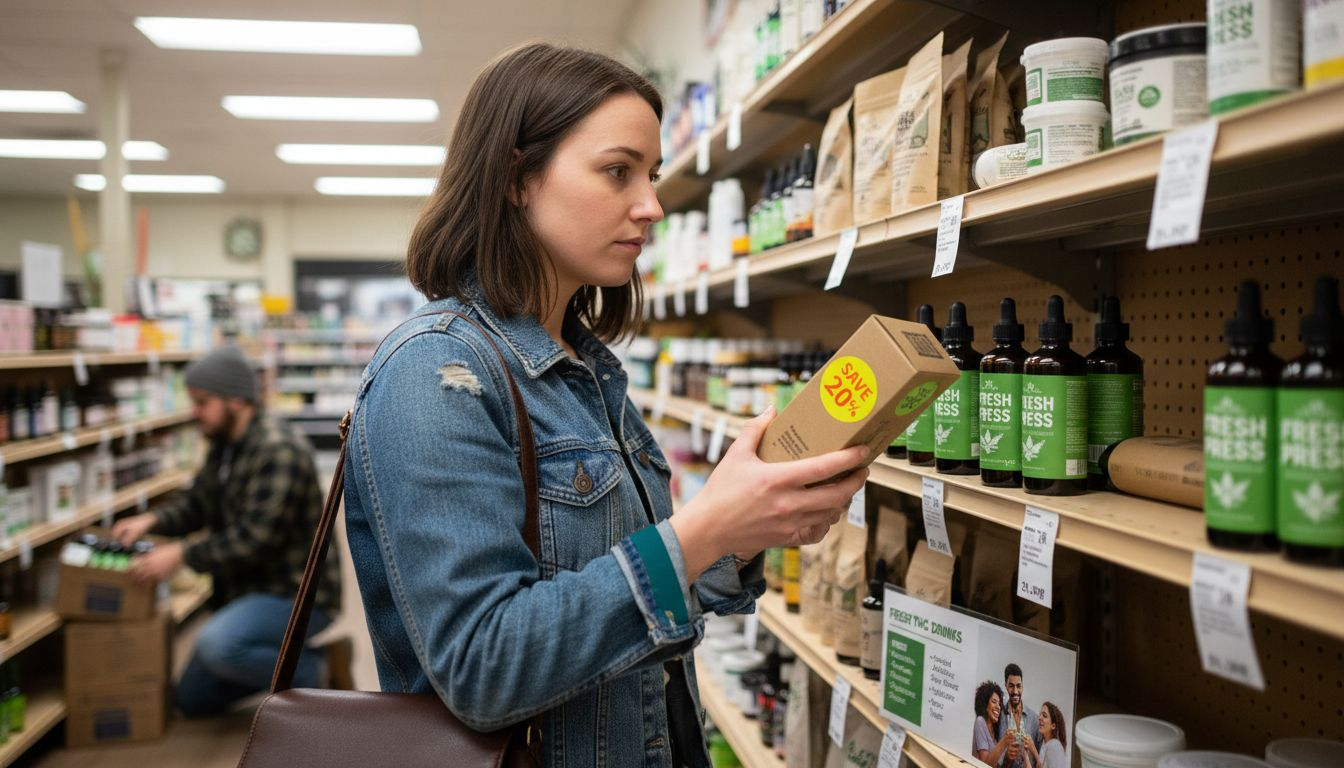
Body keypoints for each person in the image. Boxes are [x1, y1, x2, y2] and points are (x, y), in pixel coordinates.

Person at [342, 43, 870, 767]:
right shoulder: (435, 369)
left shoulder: (586, 370)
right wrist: (704, 529)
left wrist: (745, 530)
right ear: (515, 178)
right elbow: (482, 666)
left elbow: (624, 580)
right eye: (619, 171)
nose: (652, 206)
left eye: (651, 175)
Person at [113, 346, 340, 717]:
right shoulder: (226, 445)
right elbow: (198, 503)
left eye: (202, 402)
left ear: (236, 399)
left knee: (218, 646)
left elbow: (255, 538)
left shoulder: (278, 450)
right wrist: (152, 521)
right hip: (245, 591)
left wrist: (182, 555)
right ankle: (290, 662)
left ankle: (314, 669)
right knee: (192, 699)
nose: (194, 412)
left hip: (293, 593)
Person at [998, 663, 1041, 768]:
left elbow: (1040, 760)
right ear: (1005, 686)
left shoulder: (1034, 719)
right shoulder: (999, 716)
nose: (1015, 691)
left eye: (1018, 686)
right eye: (1011, 686)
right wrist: (1007, 757)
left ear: (1022, 686)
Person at [972, 680, 1020, 767]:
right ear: (985, 703)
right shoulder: (980, 721)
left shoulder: (996, 732)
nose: (998, 707)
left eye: (999, 704)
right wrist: (1004, 741)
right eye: (994, 702)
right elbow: (984, 765)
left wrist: (1009, 757)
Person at [1031, 702, 1068, 768]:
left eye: (1044, 716)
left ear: (1053, 726)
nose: (1040, 718)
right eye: (1040, 715)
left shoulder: (1054, 746)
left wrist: (1033, 749)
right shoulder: (1046, 745)